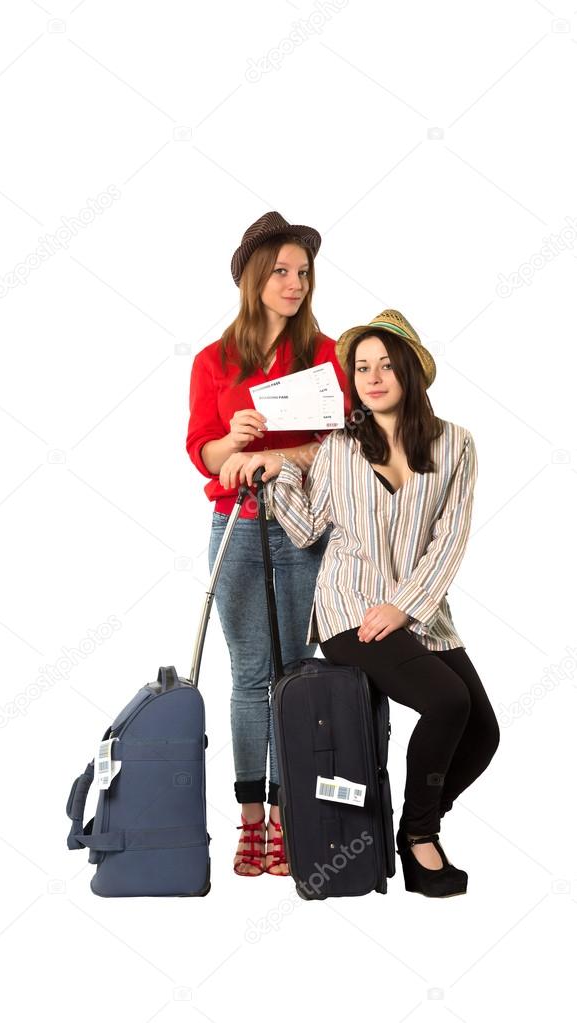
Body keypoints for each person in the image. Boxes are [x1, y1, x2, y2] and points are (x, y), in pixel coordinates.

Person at [244, 308, 500, 898]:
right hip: (349, 611)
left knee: (482, 733)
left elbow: (450, 538)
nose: (373, 376)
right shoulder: (339, 448)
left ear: (409, 372)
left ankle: (405, 821)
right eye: (362, 367)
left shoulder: (455, 444)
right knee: (445, 700)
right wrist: (279, 470)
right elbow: (308, 530)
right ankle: (419, 839)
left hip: (420, 613)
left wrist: (406, 607)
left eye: (386, 365)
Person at [186, 211, 351, 877]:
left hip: (303, 530)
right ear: (254, 278)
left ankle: (288, 821)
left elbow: (342, 447)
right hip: (236, 529)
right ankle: (249, 823)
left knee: (293, 676)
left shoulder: (326, 353)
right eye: (281, 271)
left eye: (302, 272)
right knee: (249, 678)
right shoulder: (213, 360)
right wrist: (232, 438)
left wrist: (277, 453)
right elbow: (203, 451)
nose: (293, 282)